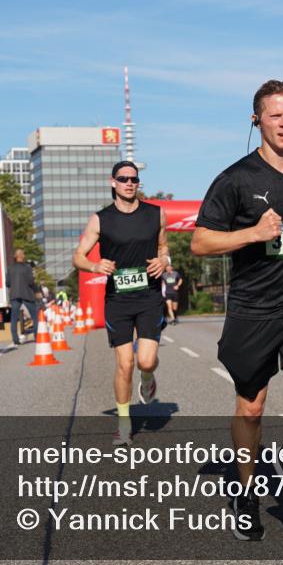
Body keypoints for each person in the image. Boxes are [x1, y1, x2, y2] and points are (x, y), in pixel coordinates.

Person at [191, 79, 283, 541]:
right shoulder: (235, 179)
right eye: (275, 115)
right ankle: (246, 492)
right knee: (251, 408)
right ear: (257, 120)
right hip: (252, 307)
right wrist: (252, 233)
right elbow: (200, 242)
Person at [73, 161, 170, 446]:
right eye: (123, 179)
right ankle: (124, 425)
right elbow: (78, 256)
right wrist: (94, 266)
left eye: (133, 179)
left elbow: (164, 246)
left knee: (146, 361)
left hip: (149, 296)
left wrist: (164, 260)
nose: (129, 183)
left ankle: (148, 377)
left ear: (138, 183)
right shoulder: (100, 219)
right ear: (112, 182)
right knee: (125, 364)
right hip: (118, 300)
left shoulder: (156, 213)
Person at [6, 249, 38, 346]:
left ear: (15, 257)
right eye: (23, 254)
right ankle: (37, 336)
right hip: (27, 294)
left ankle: (15, 339)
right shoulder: (27, 267)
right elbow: (31, 281)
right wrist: (36, 291)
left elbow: (7, 283)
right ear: (22, 256)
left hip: (15, 294)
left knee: (14, 317)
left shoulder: (10, 268)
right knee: (34, 316)